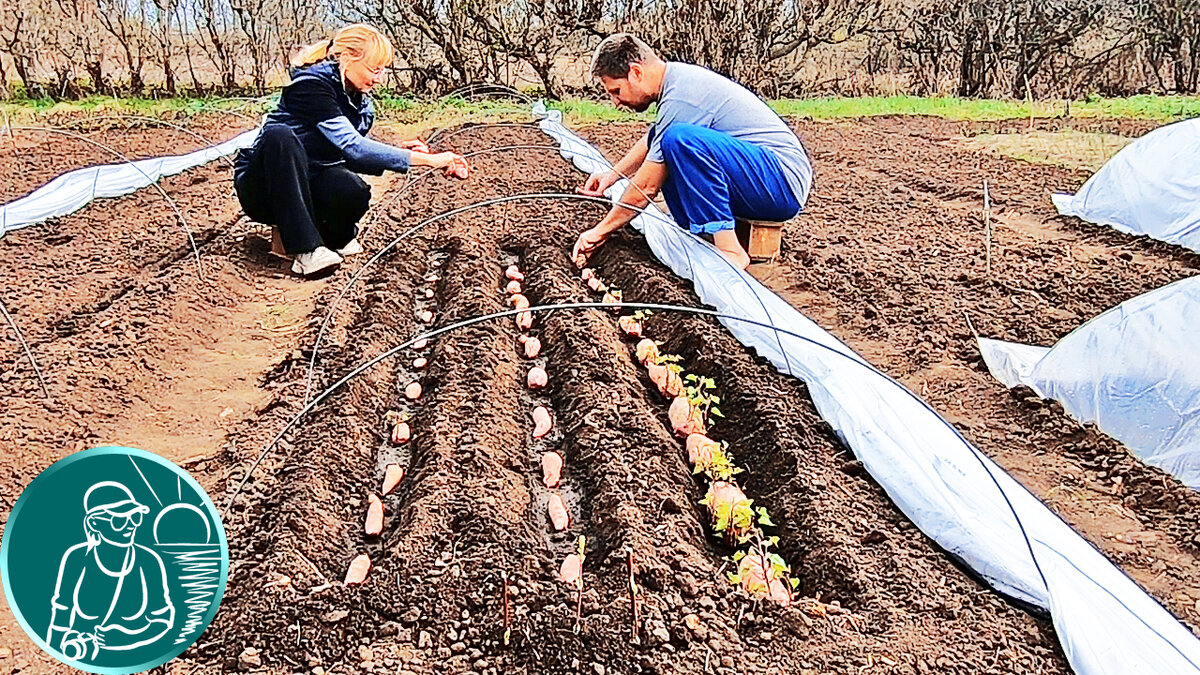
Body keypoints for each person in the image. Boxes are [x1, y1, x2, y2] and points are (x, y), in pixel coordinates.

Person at [235, 24, 468, 276]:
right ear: (347, 59)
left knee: (353, 191)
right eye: (373, 69)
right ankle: (306, 251)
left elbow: (354, 154)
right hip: (264, 187)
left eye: (382, 71)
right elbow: (354, 147)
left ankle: (333, 237)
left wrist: (407, 152)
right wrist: (430, 160)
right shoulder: (311, 87)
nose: (378, 78)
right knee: (279, 135)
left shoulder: (360, 102)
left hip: (309, 179)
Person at [572, 34, 813, 270]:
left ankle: (731, 251)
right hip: (761, 179)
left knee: (679, 140)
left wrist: (599, 232)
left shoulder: (683, 97)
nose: (616, 102)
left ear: (636, 73)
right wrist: (611, 176)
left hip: (781, 183)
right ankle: (706, 232)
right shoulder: (676, 82)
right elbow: (653, 139)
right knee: (667, 138)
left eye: (616, 91)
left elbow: (646, 186)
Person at [47, 482, 174, 662]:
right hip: (83, 658)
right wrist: (59, 648)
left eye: (135, 517)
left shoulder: (148, 561)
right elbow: (61, 612)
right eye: (119, 520)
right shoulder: (77, 558)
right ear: (94, 522)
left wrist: (131, 638)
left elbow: (163, 619)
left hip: (138, 659)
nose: (131, 525)